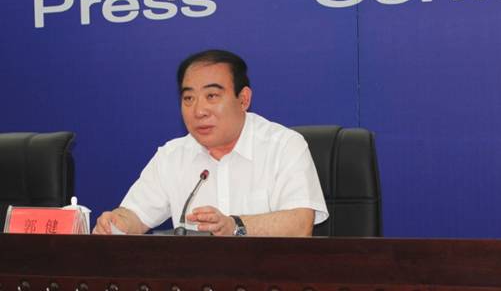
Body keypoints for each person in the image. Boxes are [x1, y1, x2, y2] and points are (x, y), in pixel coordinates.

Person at [93, 49, 328, 236]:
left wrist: (235, 226)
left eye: (212, 96)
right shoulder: (172, 155)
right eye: (188, 98)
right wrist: (116, 223)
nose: (199, 111)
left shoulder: (284, 146)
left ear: (243, 99)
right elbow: (134, 215)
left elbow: (300, 224)